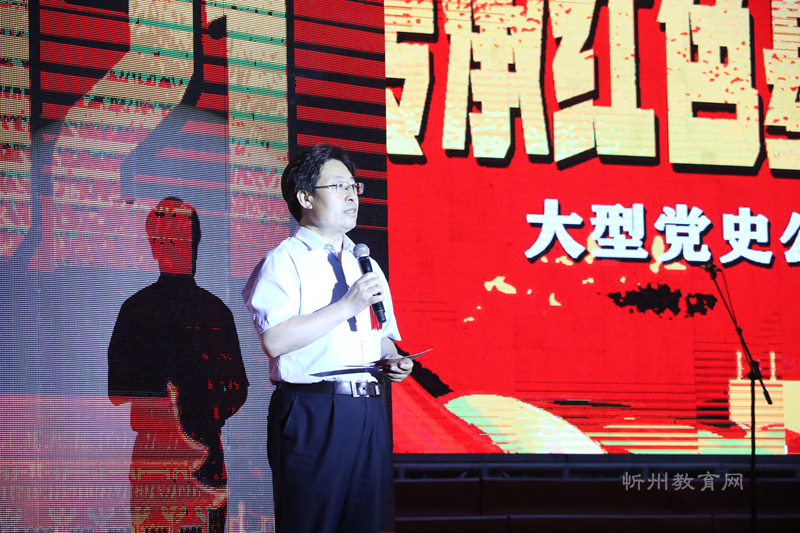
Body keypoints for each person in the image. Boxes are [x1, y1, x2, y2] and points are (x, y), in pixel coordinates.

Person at [241, 144, 413, 533]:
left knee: (364, 523)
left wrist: (394, 359)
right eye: (339, 186)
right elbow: (275, 340)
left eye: (354, 186)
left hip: (368, 409)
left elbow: (380, 336)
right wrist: (346, 305)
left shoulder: (365, 262)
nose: (352, 195)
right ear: (305, 197)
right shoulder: (284, 260)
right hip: (314, 408)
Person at [108, 197, 249, 533]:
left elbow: (237, 389)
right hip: (168, 452)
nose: (179, 247)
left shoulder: (139, 308)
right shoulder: (211, 311)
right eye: (170, 239)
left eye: (183, 237)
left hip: (186, 453)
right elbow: (118, 390)